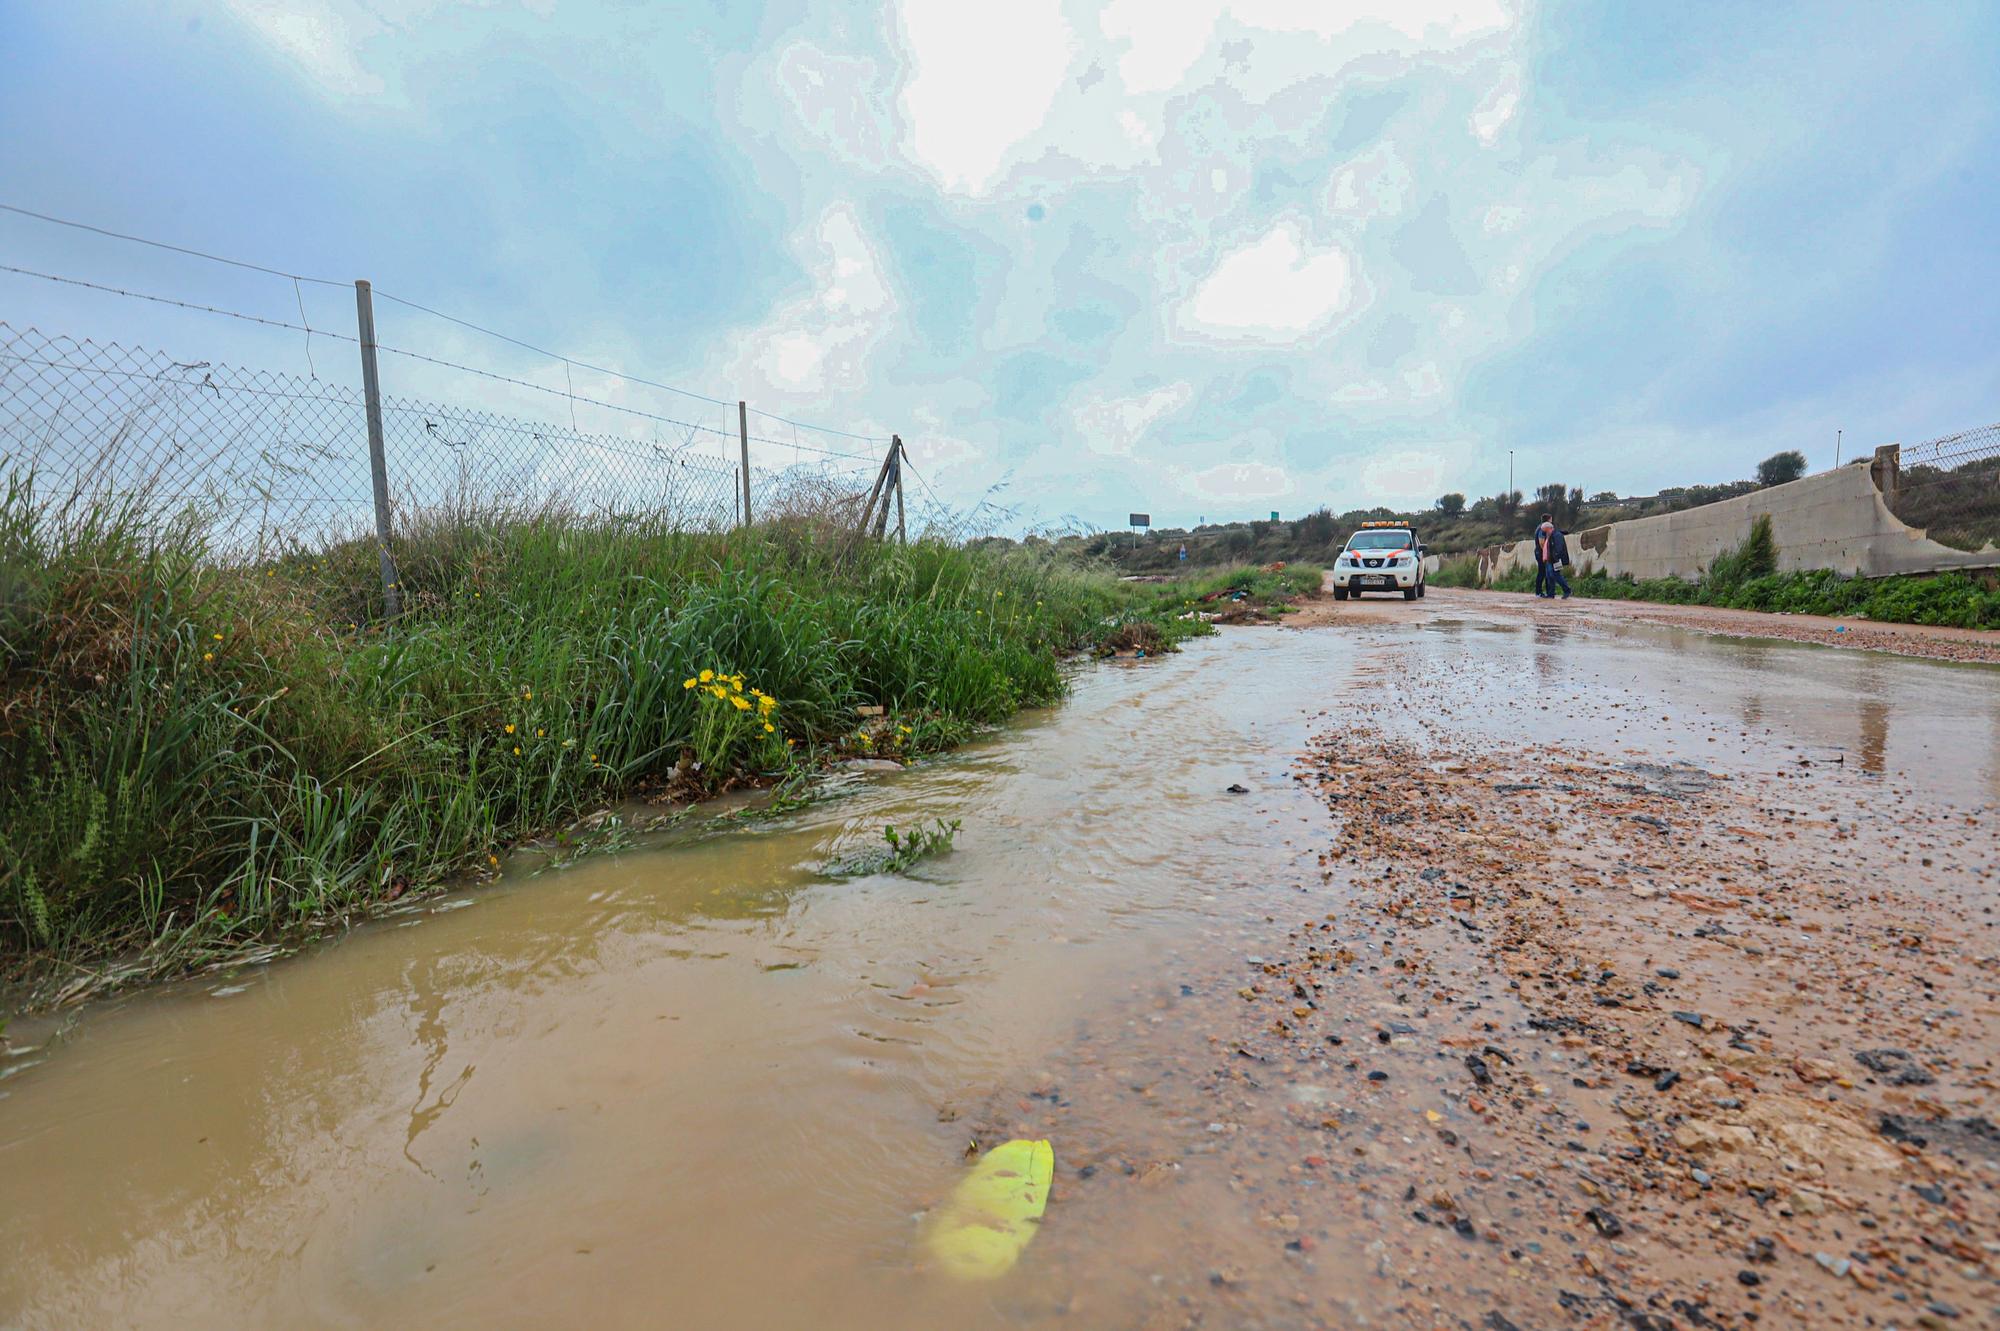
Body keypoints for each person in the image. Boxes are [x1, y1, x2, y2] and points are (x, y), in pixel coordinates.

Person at [1535, 516, 1573, 599]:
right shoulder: (1550, 535)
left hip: (1556, 560)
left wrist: (1554, 558)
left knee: (1556, 575)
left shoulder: (1557, 535)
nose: (1544, 533)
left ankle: (1567, 590)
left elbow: (1558, 549)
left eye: (1545, 531)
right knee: (1549, 575)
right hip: (1550, 559)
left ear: (1549, 528)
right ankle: (1551, 594)